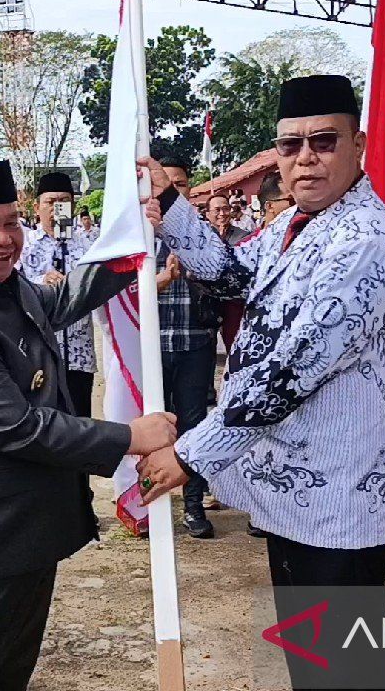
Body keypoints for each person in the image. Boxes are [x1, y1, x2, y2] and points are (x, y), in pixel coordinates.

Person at [138, 75, 385, 691]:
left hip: (341, 493)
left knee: (347, 672)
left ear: (358, 144)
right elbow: (230, 273)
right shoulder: (296, 221)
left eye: (323, 140)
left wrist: (192, 454)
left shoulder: (364, 237)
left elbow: (292, 369)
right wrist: (171, 208)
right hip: (295, 492)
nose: (306, 158)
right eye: (291, 146)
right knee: (313, 663)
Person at [0, 158, 176, 691]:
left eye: (11, 222)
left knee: (6, 676)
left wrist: (125, 249)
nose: (3, 239)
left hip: (18, 536)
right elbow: (21, 428)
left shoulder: (0, 287)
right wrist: (129, 436)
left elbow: (58, 299)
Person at [152, 155, 223, 539]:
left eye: (179, 184)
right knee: (156, 427)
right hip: (155, 346)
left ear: (189, 189)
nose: (172, 191)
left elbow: (225, 279)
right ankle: (153, 505)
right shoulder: (142, 236)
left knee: (194, 425)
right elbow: (126, 297)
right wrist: (163, 279)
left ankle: (193, 506)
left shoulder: (202, 234)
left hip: (196, 343)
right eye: (166, 183)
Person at [18, 171, 97, 416]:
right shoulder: (24, 245)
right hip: (36, 354)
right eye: (50, 202)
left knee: (79, 421)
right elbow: (10, 287)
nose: (56, 208)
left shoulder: (87, 246)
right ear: (37, 206)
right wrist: (41, 283)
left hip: (78, 353)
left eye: (63, 201)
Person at [205, 193, 249, 354]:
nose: (222, 214)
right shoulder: (201, 237)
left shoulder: (243, 236)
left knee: (235, 344)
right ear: (207, 213)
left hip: (233, 301)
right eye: (217, 210)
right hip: (206, 299)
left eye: (225, 209)